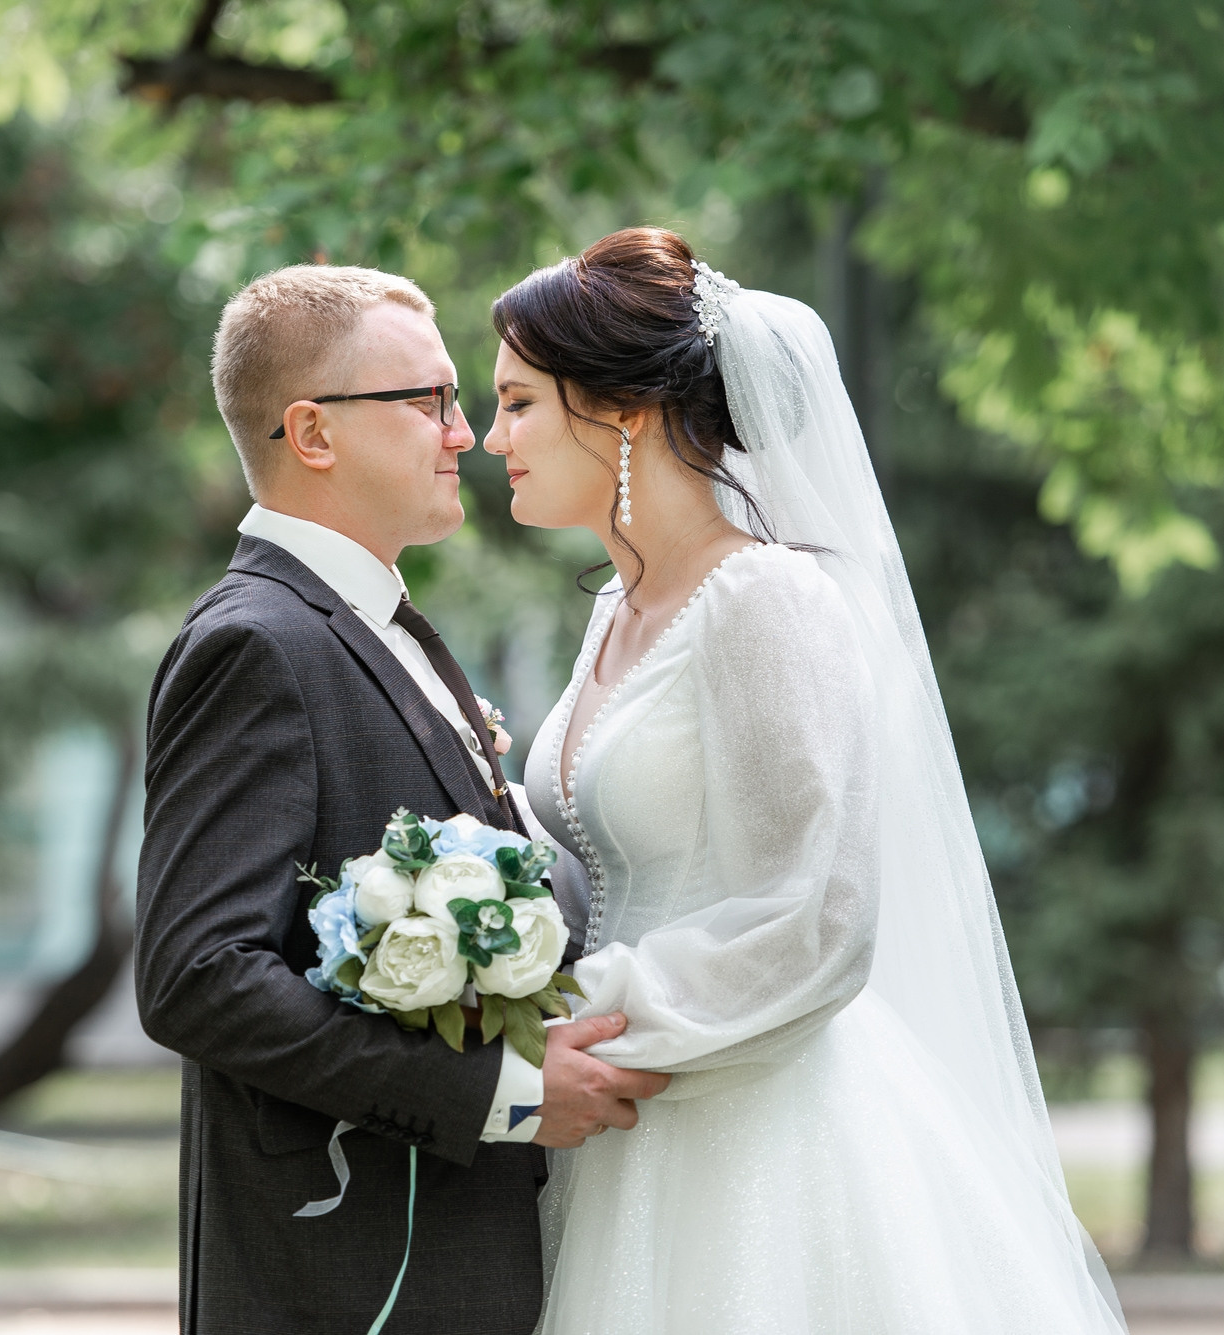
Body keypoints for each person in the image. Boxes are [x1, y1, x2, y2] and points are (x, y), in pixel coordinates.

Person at [483, 228, 1130, 1333]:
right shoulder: (615, 609)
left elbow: (816, 912)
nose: (492, 436)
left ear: (623, 410)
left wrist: (579, 1016)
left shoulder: (764, 601)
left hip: (757, 1128)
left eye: (518, 402)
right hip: (623, 1110)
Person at [134, 263, 667, 1335]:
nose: (464, 433)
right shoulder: (255, 644)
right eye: (427, 400)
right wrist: (497, 1091)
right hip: (347, 1278)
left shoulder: (368, 626)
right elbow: (197, 976)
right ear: (312, 433)